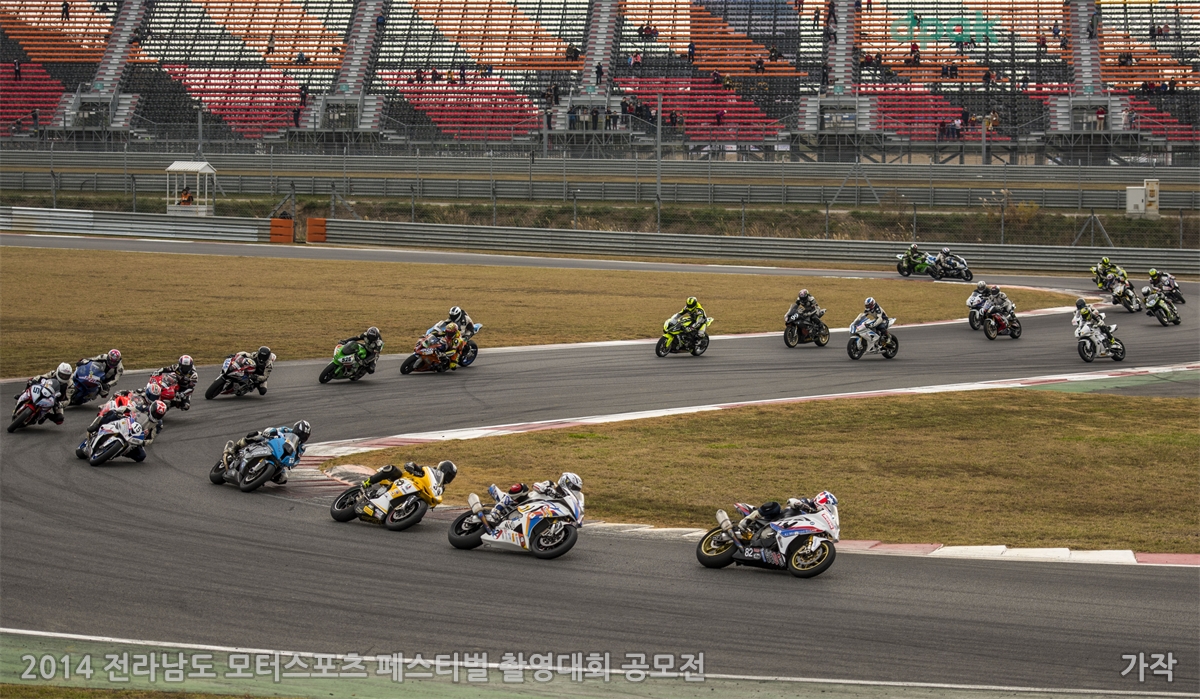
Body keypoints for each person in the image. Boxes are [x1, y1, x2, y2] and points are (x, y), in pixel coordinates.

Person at [221, 420, 311, 484]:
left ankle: (262, 475)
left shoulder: (301, 448)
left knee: (283, 479)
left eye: (304, 436)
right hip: (269, 445)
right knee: (255, 435)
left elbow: (297, 459)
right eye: (300, 433)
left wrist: (292, 463)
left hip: (280, 460)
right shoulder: (286, 430)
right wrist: (270, 433)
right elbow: (274, 430)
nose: (301, 436)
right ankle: (234, 448)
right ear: (295, 429)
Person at [485, 472, 583, 525]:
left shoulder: (564, 500)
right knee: (522, 487)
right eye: (574, 488)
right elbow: (536, 485)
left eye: (577, 489)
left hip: (534, 514)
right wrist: (547, 490)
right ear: (566, 482)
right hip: (524, 503)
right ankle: (496, 510)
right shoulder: (551, 485)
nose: (575, 491)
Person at [363, 460, 457, 489]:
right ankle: (368, 482)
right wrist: (411, 466)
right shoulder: (429, 470)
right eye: (449, 475)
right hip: (404, 480)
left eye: (451, 477)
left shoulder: (440, 488)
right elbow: (415, 465)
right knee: (392, 469)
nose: (448, 478)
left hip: (416, 492)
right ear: (443, 469)